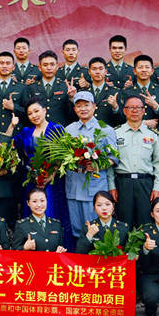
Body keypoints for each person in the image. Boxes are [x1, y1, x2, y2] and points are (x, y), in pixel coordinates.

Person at [14, 98, 72, 248]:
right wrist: (12, 125)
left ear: (44, 110)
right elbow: (11, 143)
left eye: (36, 111)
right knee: (32, 210)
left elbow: (65, 154)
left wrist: (51, 174)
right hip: (32, 179)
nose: (34, 115)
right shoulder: (27, 131)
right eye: (30, 113)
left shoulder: (56, 129)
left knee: (51, 210)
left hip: (51, 180)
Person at [65, 91, 118, 239]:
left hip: (94, 186)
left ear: (94, 106)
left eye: (86, 105)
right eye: (79, 106)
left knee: (96, 230)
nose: (83, 109)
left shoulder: (105, 129)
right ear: (74, 109)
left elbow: (114, 157)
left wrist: (98, 166)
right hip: (74, 185)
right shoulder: (69, 129)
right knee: (76, 229)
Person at [108, 96, 159, 229]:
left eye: (138, 108)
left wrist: (157, 188)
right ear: (124, 111)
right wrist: (111, 186)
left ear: (143, 111)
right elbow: (110, 163)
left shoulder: (152, 134)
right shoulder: (115, 133)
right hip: (122, 183)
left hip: (145, 183)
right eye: (130, 107)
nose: (134, 111)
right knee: (123, 222)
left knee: (145, 223)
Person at [0, 51, 27, 136]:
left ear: (13, 67)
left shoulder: (22, 88)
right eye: (2, 63)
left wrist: (14, 107)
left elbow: (28, 112)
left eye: (8, 63)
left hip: (16, 134)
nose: (5, 66)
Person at [24, 50, 73, 126]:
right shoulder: (31, 87)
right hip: (38, 130)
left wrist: (72, 98)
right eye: (45, 65)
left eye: (52, 64)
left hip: (59, 130)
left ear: (57, 66)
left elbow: (71, 113)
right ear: (40, 67)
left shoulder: (65, 87)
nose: (49, 68)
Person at [122, 55, 159, 129]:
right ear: (134, 71)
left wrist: (156, 107)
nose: (144, 70)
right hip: (134, 131)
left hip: (156, 132)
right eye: (140, 67)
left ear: (152, 71)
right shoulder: (127, 92)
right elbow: (122, 117)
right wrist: (142, 123)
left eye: (147, 67)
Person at [83, 57, 122, 127]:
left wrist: (115, 107)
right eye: (94, 69)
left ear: (106, 71)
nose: (97, 72)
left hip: (107, 131)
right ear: (89, 72)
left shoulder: (115, 92)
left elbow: (122, 120)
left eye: (101, 69)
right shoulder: (83, 93)